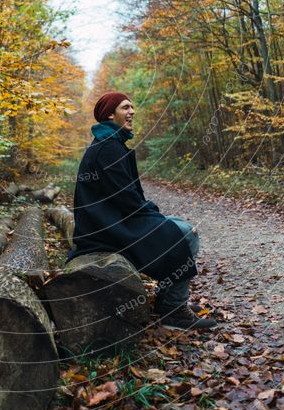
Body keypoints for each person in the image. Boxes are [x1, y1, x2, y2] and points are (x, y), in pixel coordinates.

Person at [69, 91, 218, 330]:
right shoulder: (107, 147)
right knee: (185, 233)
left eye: (131, 107)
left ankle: (169, 302)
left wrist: (152, 213)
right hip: (106, 227)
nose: (132, 112)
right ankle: (173, 309)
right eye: (125, 108)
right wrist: (152, 213)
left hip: (111, 220)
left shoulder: (110, 142)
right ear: (109, 114)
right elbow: (127, 199)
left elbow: (126, 197)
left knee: (177, 226)